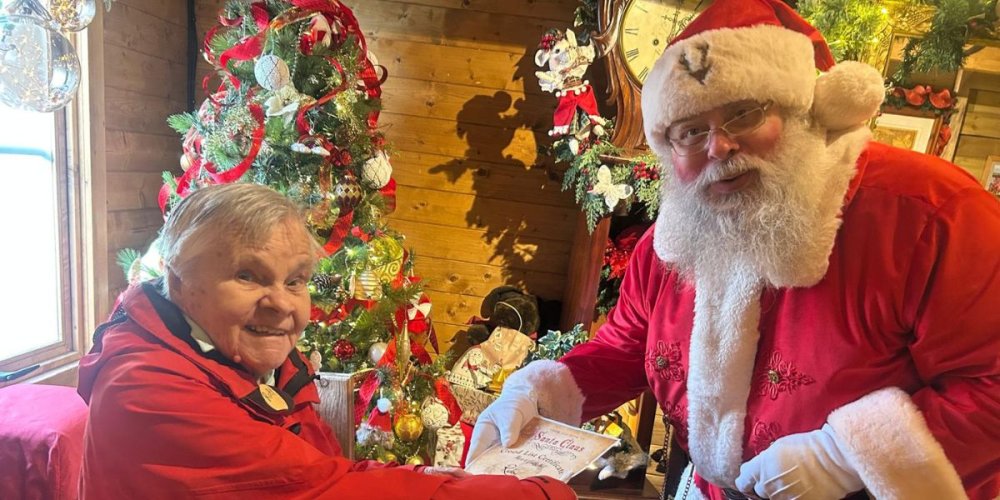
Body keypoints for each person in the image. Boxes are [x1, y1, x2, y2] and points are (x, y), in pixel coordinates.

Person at [468, 0, 1000, 499]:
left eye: (744, 113)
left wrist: (847, 456)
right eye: (690, 130)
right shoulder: (672, 239)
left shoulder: (932, 215)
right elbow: (629, 345)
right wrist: (539, 393)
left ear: (800, 112)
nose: (718, 146)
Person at [77, 183, 576, 500]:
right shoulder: (147, 389)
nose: (281, 304)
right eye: (248, 276)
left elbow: (322, 470)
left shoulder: (239, 357)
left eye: (295, 280)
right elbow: (324, 489)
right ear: (180, 279)